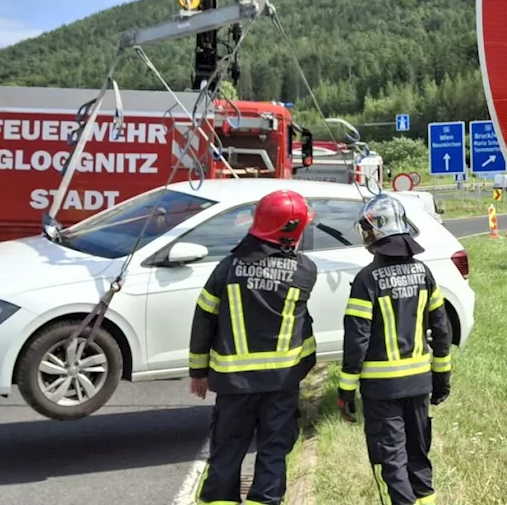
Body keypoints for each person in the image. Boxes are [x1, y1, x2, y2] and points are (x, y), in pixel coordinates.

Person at [187, 188, 319, 505]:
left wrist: (198, 372)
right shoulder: (304, 271)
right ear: (293, 230)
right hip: (282, 382)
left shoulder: (227, 268)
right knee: (274, 448)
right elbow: (304, 328)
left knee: (228, 447)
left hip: (233, 383)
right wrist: (302, 371)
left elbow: (203, 320)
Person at [337, 194, 453, 505]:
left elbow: (356, 339)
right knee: (418, 454)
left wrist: (346, 391)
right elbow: (441, 331)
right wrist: (441, 380)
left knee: (392, 459)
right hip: (418, 383)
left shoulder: (366, 280)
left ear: (373, 233)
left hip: (381, 389)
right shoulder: (424, 274)